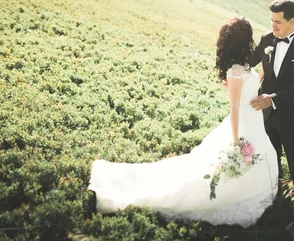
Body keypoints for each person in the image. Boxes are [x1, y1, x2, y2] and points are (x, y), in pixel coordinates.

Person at [88, 17, 278, 227]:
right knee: (218, 173)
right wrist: (235, 141)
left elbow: (250, 83)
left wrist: (266, 70)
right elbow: (233, 108)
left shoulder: (245, 66)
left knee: (259, 161)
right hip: (242, 125)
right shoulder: (235, 71)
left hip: (254, 122)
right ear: (244, 40)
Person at [250, 0, 294, 198]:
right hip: (266, 113)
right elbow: (250, 62)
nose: (273, 26)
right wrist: (229, 70)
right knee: (270, 156)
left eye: (278, 22)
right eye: (271, 20)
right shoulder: (266, 38)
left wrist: (272, 99)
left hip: (292, 114)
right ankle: (275, 192)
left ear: (292, 21)